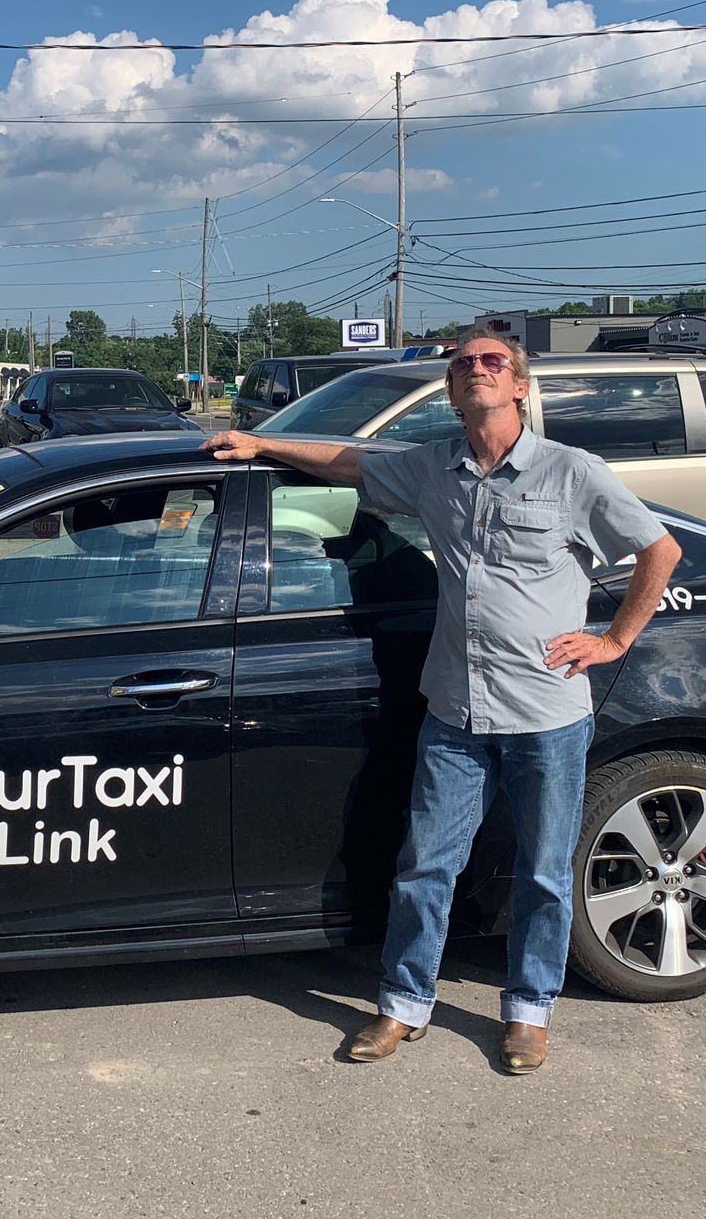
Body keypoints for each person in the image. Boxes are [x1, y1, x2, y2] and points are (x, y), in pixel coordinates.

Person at [203, 332, 681, 1073]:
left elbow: (660, 550)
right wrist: (260, 443)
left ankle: (528, 1012)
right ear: (452, 393)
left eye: (493, 363)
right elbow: (352, 461)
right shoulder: (435, 469)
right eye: (463, 365)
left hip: (546, 716)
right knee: (426, 865)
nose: (477, 370)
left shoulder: (571, 473)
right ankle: (403, 1005)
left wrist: (613, 641)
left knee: (546, 872)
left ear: (520, 387)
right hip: (455, 714)